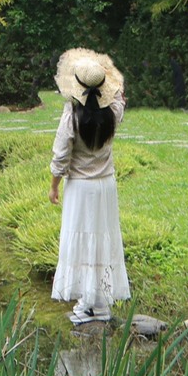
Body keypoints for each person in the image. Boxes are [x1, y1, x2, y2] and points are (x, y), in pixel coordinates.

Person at [48, 48, 130, 325]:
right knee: (101, 238)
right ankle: (102, 302)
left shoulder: (72, 114)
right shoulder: (113, 112)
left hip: (80, 188)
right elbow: (120, 97)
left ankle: (85, 303)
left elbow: (61, 154)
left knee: (81, 240)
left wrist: (54, 186)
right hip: (105, 185)